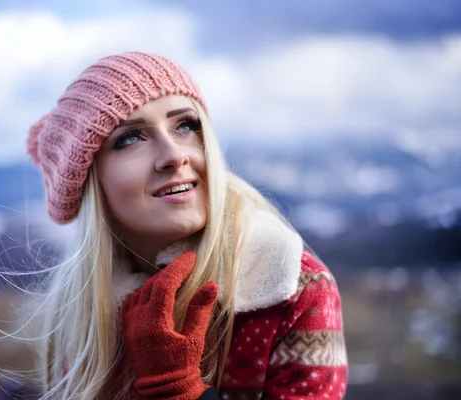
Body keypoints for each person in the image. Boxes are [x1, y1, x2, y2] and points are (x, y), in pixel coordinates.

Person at [26, 52, 348, 400]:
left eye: (185, 125)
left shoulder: (294, 292)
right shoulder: (83, 316)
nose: (174, 154)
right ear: (91, 182)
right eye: (130, 138)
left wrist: (175, 387)